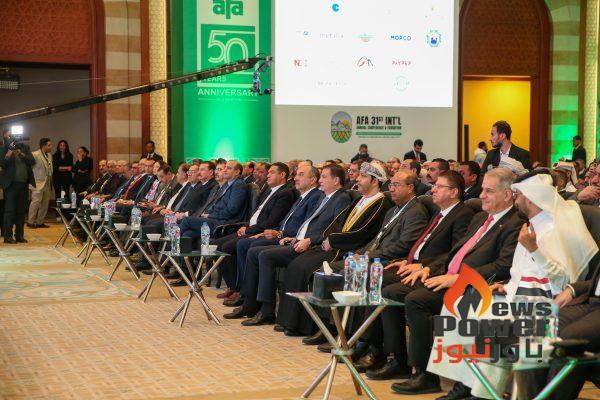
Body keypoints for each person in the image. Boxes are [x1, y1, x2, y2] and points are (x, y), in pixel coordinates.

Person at [431, 170, 597, 400]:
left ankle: (482, 392)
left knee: (479, 318)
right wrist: (506, 286)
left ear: (531, 198)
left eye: (518, 196)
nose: (515, 200)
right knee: (461, 303)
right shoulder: (530, 226)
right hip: (517, 294)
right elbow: (520, 271)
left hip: (544, 301)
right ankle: (468, 386)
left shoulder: (553, 230)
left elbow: (562, 279)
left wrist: (534, 249)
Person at [391, 167, 523, 395]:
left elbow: (503, 266)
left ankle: (425, 375)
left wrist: (459, 279)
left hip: (474, 285)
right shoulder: (480, 218)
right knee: (395, 290)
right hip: (449, 276)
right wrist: (427, 268)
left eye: (488, 191)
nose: (481, 195)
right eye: (482, 190)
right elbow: (455, 253)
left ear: (507, 194)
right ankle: (396, 358)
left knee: (416, 300)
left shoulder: (515, 223)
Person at [361, 170, 474, 379]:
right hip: (414, 265)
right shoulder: (440, 213)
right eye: (434, 186)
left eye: (439, 186)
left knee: (384, 287)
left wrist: (423, 266)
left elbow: (454, 253)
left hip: (433, 271)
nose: (433, 190)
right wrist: (407, 260)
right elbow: (422, 245)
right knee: (373, 277)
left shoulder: (462, 214)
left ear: (454, 192)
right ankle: (374, 346)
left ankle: (388, 354)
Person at [263, 162, 395, 331]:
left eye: (363, 176)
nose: (357, 179)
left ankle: (310, 326)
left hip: (349, 249)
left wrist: (332, 240)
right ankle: (290, 321)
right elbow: (338, 222)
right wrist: (326, 238)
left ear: (375, 181)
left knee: (305, 267)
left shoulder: (381, 203)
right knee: (297, 264)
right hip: (336, 244)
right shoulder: (360, 199)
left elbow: (362, 232)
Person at [223, 165, 323, 318]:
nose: (295, 178)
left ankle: (260, 306)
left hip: (293, 240)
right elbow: (285, 222)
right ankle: (249, 300)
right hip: (282, 235)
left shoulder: (315, 196)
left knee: (255, 249)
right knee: (250, 245)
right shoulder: (302, 196)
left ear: (313, 180)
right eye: (296, 174)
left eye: (301, 175)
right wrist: (268, 232)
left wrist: (280, 234)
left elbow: (304, 228)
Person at [211, 162, 297, 304]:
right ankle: (233, 286)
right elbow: (256, 214)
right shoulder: (269, 190)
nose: (268, 175)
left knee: (229, 246)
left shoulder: (285, 194)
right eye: (268, 172)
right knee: (216, 245)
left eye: (272, 172)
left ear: (282, 175)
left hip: (261, 231)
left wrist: (249, 230)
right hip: (251, 227)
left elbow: (271, 221)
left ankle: (241, 290)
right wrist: (245, 226)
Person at [0, 129, 35, 243]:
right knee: (10, 211)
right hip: (11, 185)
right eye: (9, 137)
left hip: (23, 184)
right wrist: (9, 154)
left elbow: (32, 161)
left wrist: (20, 153)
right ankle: (7, 236)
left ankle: (19, 236)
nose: (12, 139)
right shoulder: (3, 148)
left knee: (21, 211)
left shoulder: (24, 148)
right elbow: (2, 164)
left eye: (13, 137)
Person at [28, 138, 54, 229]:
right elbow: (29, 168)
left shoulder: (49, 155)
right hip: (37, 182)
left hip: (47, 182)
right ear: (43, 146)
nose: (51, 147)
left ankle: (40, 222)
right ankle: (30, 222)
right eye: (49, 145)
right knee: (35, 202)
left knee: (45, 203)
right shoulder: (35, 154)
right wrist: (30, 180)